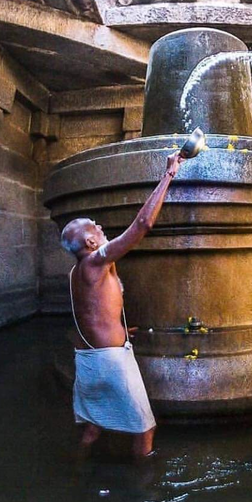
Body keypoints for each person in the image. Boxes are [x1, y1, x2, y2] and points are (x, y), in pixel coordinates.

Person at [60, 152, 185, 458]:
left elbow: (90, 313)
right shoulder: (95, 260)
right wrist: (169, 173)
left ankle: (76, 474)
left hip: (89, 360)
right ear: (90, 243)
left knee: (93, 426)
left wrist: (119, 328)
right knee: (145, 429)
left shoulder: (76, 272)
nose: (100, 226)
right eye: (94, 226)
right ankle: (140, 492)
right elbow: (142, 224)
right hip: (110, 362)